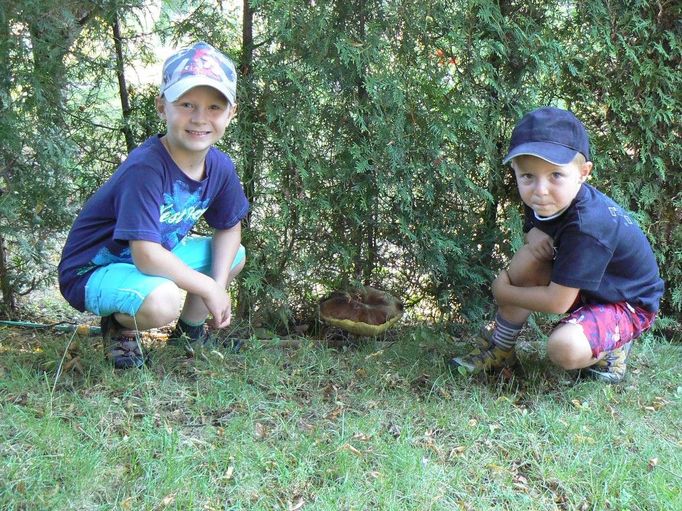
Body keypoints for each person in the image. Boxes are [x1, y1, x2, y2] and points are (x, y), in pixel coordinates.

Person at [58, 41, 249, 369]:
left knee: (234, 255)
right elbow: (145, 254)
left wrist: (217, 285)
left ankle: (188, 335)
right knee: (162, 300)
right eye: (186, 104)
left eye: (214, 107)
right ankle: (120, 327)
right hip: (93, 270)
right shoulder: (146, 166)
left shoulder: (219, 167)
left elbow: (229, 227)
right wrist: (207, 287)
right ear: (162, 106)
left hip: (140, 265)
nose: (200, 118)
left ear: (231, 113)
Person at [450, 107, 664, 383]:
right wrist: (532, 232)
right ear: (516, 171)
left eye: (555, 175)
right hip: (592, 287)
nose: (540, 190)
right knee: (530, 257)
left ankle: (613, 347)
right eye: (528, 176)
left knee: (563, 348)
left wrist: (503, 291)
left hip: (626, 302)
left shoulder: (588, 226)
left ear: (583, 172)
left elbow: (557, 302)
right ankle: (500, 349)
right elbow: (537, 218)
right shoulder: (551, 200)